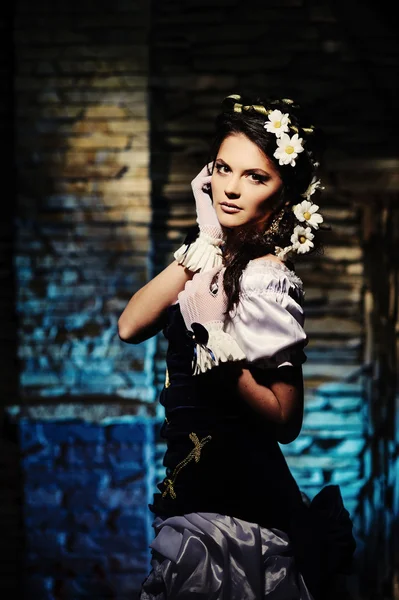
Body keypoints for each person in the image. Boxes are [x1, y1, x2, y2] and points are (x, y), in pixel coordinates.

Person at [118, 93, 356, 600]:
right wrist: (203, 240)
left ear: (282, 192)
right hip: (195, 497)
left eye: (255, 176)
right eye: (223, 169)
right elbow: (130, 325)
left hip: (242, 513)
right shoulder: (206, 258)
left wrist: (221, 355)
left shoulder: (266, 278)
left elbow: (286, 419)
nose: (230, 188)